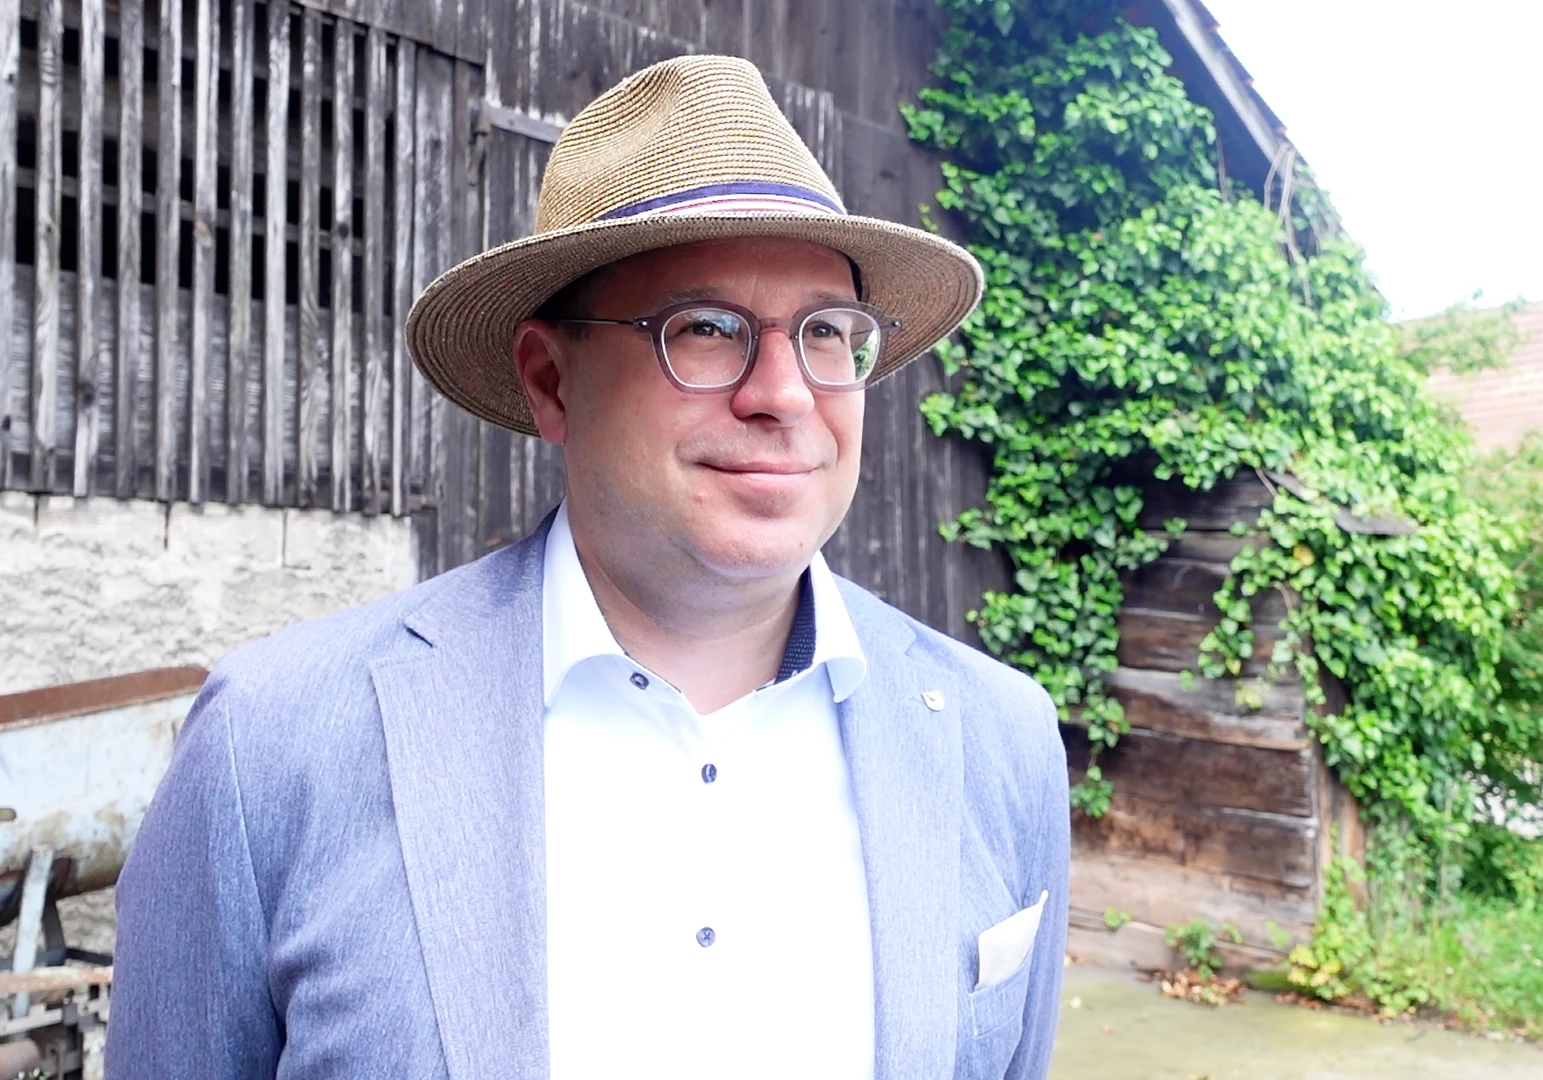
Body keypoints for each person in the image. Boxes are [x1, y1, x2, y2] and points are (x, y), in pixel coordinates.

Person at [106, 54, 1068, 1080]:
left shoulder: (1001, 738)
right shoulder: (271, 746)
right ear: (551, 381)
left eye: (827, 332)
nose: (786, 394)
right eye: (707, 329)